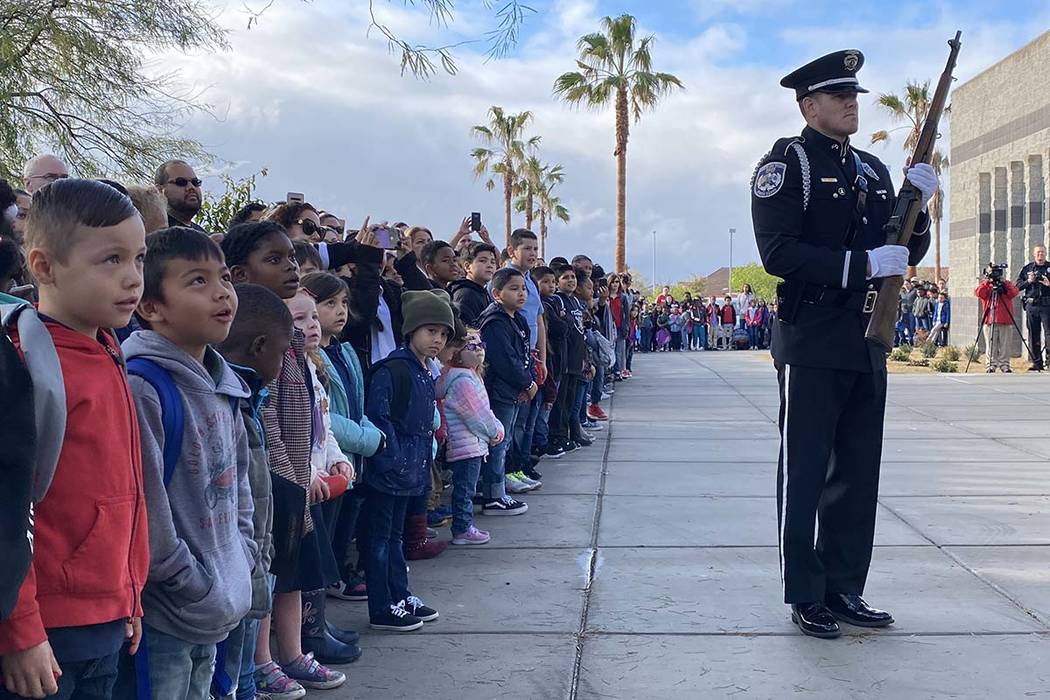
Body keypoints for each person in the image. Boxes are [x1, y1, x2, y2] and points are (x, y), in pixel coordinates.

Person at [752, 49, 939, 639]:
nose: (852, 104)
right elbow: (777, 253)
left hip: (866, 336)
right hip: (812, 334)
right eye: (839, 96)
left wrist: (921, 212)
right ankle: (805, 593)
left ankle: (844, 586)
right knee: (806, 469)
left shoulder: (873, 171)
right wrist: (860, 264)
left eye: (855, 95)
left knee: (858, 472)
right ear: (808, 105)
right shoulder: (788, 164)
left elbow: (903, 249)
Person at [0, 179, 149, 700]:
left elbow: (124, 491)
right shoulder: (21, 363)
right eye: (111, 260)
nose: (133, 278)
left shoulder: (109, 348)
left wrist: (128, 594)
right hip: (42, 634)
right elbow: (7, 506)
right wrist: (17, 629)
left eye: (139, 258)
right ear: (44, 267)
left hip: (106, 618)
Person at [118, 227, 256, 699]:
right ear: (151, 307)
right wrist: (190, 582)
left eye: (223, 278)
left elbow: (239, 485)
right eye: (197, 281)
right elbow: (148, 506)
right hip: (168, 613)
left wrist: (245, 552)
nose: (222, 293)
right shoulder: (144, 388)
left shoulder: (225, 383)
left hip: (219, 599)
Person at [215, 283, 294, 700]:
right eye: (283, 353)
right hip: (222, 581)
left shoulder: (247, 396)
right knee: (229, 681)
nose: (283, 363)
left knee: (238, 679)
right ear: (261, 346)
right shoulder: (225, 397)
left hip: (247, 568)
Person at [362, 290, 450, 631]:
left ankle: (399, 595)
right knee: (380, 540)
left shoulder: (424, 371)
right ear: (411, 331)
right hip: (390, 472)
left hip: (411, 472)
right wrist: (392, 460)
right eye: (430, 331)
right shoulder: (394, 370)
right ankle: (381, 606)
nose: (437, 340)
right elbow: (379, 418)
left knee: (396, 538)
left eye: (442, 334)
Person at [437, 331, 504, 545]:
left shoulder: (468, 376)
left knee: (465, 487)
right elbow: (477, 414)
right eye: (471, 347)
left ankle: (464, 526)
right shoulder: (463, 381)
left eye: (480, 344)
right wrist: (495, 431)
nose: (479, 350)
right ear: (456, 353)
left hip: (472, 443)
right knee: (465, 489)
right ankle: (462, 528)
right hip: (467, 445)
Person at [477, 268, 535, 515]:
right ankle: (493, 495)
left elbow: (523, 355)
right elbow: (504, 361)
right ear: (497, 293)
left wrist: (527, 382)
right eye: (514, 288)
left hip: (514, 390)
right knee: (498, 442)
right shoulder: (494, 322)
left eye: (523, 288)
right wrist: (525, 383)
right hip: (500, 391)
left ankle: (496, 489)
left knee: (507, 438)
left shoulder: (517, 318)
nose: (521, 293)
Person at [976, 273, 1020, 373]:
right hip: (990, 320)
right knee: (990, 344)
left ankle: (1005, 365)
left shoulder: (1006, 284)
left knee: (1005, 345)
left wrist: (1004, 284)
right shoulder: (986, 285)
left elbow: (1014, 292)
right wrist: (987, 282)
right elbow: (979, 293)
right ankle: (991, 365)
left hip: (1005, 319)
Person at [1016, 245, 1050, 370]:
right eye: (1038, 253)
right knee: (1034, 334)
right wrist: (1028, 281)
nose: (1040, 255)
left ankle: (1049, 361)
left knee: (1049, 334)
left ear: (1046, 253)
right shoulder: (1027, 269)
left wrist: (1048, 284)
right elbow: (1017, 286)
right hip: (1032, 305)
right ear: (1033, 254)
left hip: (1047, 306)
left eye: (1042, 252)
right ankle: (1037, 363)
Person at [450, 241, 499, 326]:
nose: (489, 265)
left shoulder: (482, 292)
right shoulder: (465, 294)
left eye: (492, 262)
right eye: (483, 261)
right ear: (467, 266)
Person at [154, 160, 206, 231]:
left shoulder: (203, 235)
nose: (191, 187)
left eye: (195, 182)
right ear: (159, 190)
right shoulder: (150, 230)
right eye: (181, 182)